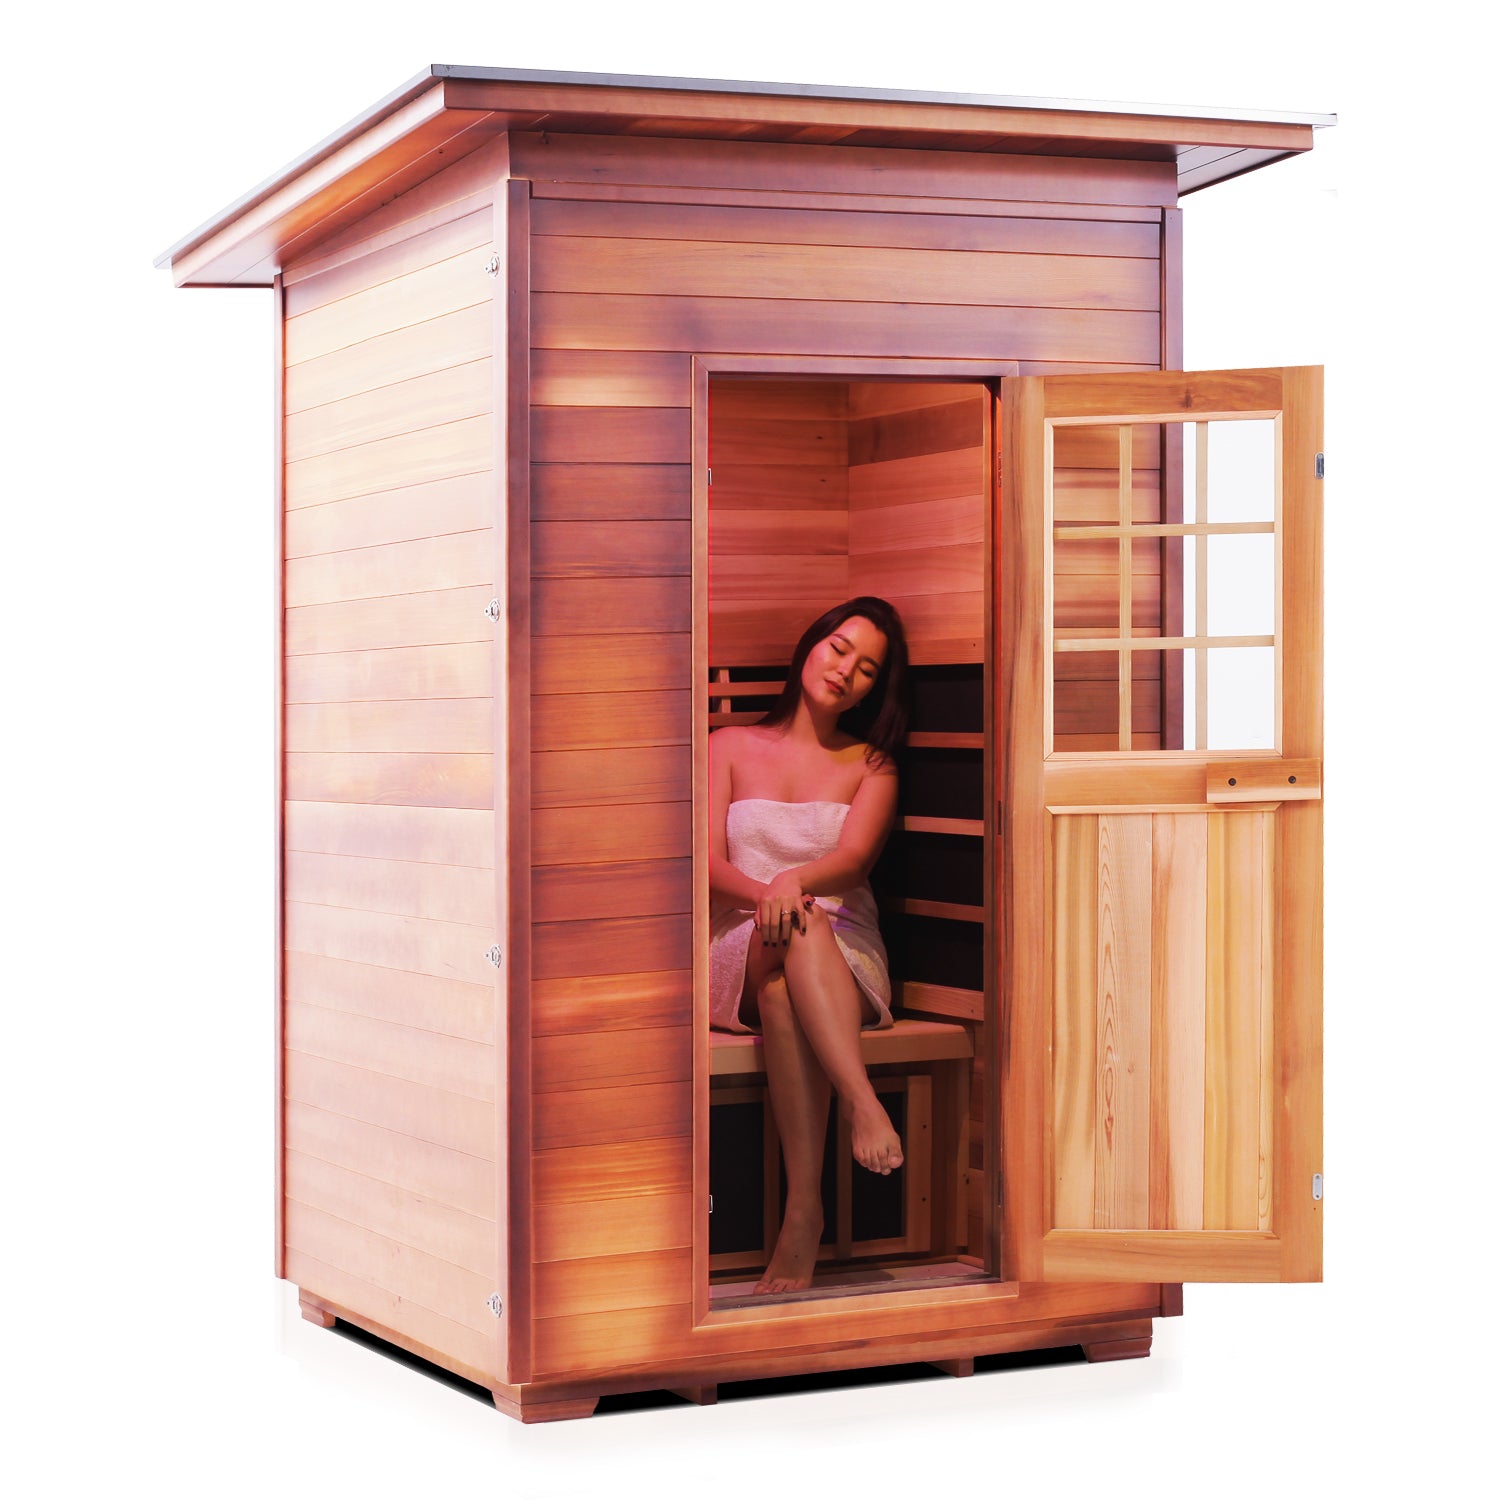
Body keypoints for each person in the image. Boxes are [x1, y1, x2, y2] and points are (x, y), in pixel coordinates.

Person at [708, 596, 911, 1295]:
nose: (846, 671)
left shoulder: (872, 765)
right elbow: (703, 865)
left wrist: (795, 884)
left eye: (867, 669)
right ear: (811, 645)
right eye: (839, 649)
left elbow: (852, 865)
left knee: (786, 984)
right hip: (740, 937)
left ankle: (803, 1215)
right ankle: (863, 1104)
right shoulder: (729, 746)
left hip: (844, 947)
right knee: (794, 930)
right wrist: (772, 893)